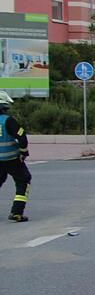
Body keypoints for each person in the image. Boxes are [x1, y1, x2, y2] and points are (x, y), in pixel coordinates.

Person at [0, 91, 32, 221]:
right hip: (12, 159)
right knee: (23, 180)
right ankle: (16, 212)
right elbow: (22, 137)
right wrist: (24, 152)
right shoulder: (8, 121)